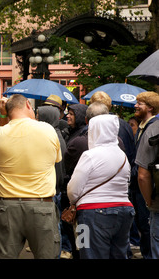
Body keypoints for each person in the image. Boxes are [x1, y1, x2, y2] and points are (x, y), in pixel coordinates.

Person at [0, 94, 61, 259]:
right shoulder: (47, 130)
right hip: (41, 205)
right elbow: (56, 160)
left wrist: (4, 115)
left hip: (7, 206)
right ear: (28, 104)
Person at [67, 114, 134, 259]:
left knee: (87, 253)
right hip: (124, 211)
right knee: (119, 254)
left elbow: (73, 189)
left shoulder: (89, 155)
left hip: (91, 213)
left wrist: (73, 202)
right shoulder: (123, 156)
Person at [37, 105, 67, 258]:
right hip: (52, 189)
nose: (36, 119)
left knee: (53, 229)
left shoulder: (54, 137)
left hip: (52, 190)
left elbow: (59, 169)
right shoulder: (52, 134)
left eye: (39, 116)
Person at [132, 91, 159, 259]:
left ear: (150, 107)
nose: (135, 105)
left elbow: (143, 175)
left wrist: (149, 200)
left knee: (151, 234)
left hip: (153, 196)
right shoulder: (145, 126)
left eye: (139, 103)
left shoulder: (152, 128)